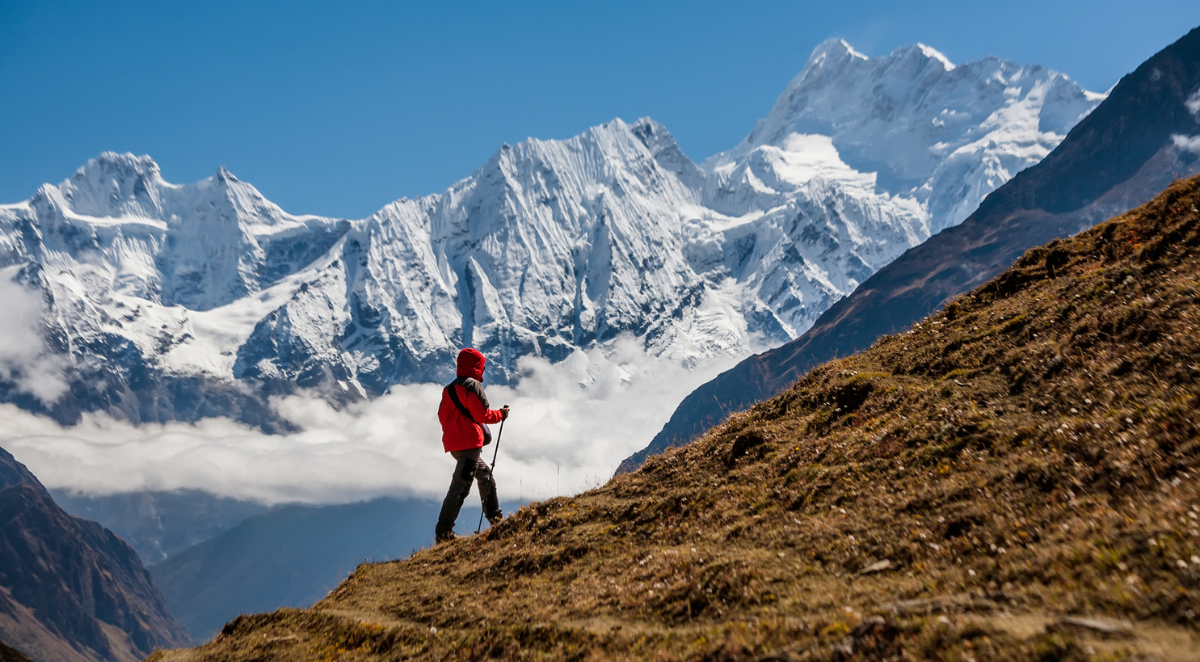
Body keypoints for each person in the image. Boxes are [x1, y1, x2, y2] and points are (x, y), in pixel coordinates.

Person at [435, 348, 509, 543]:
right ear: (477, 367)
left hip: (455, 446)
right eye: (482, 367)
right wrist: (501, 414)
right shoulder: (472, 385)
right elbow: (482, 415)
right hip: (470, 444)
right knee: (460, 486)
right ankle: (444, 532)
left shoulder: (448, 388)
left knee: (485, 475)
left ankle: (497, 521)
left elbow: (442, 416)